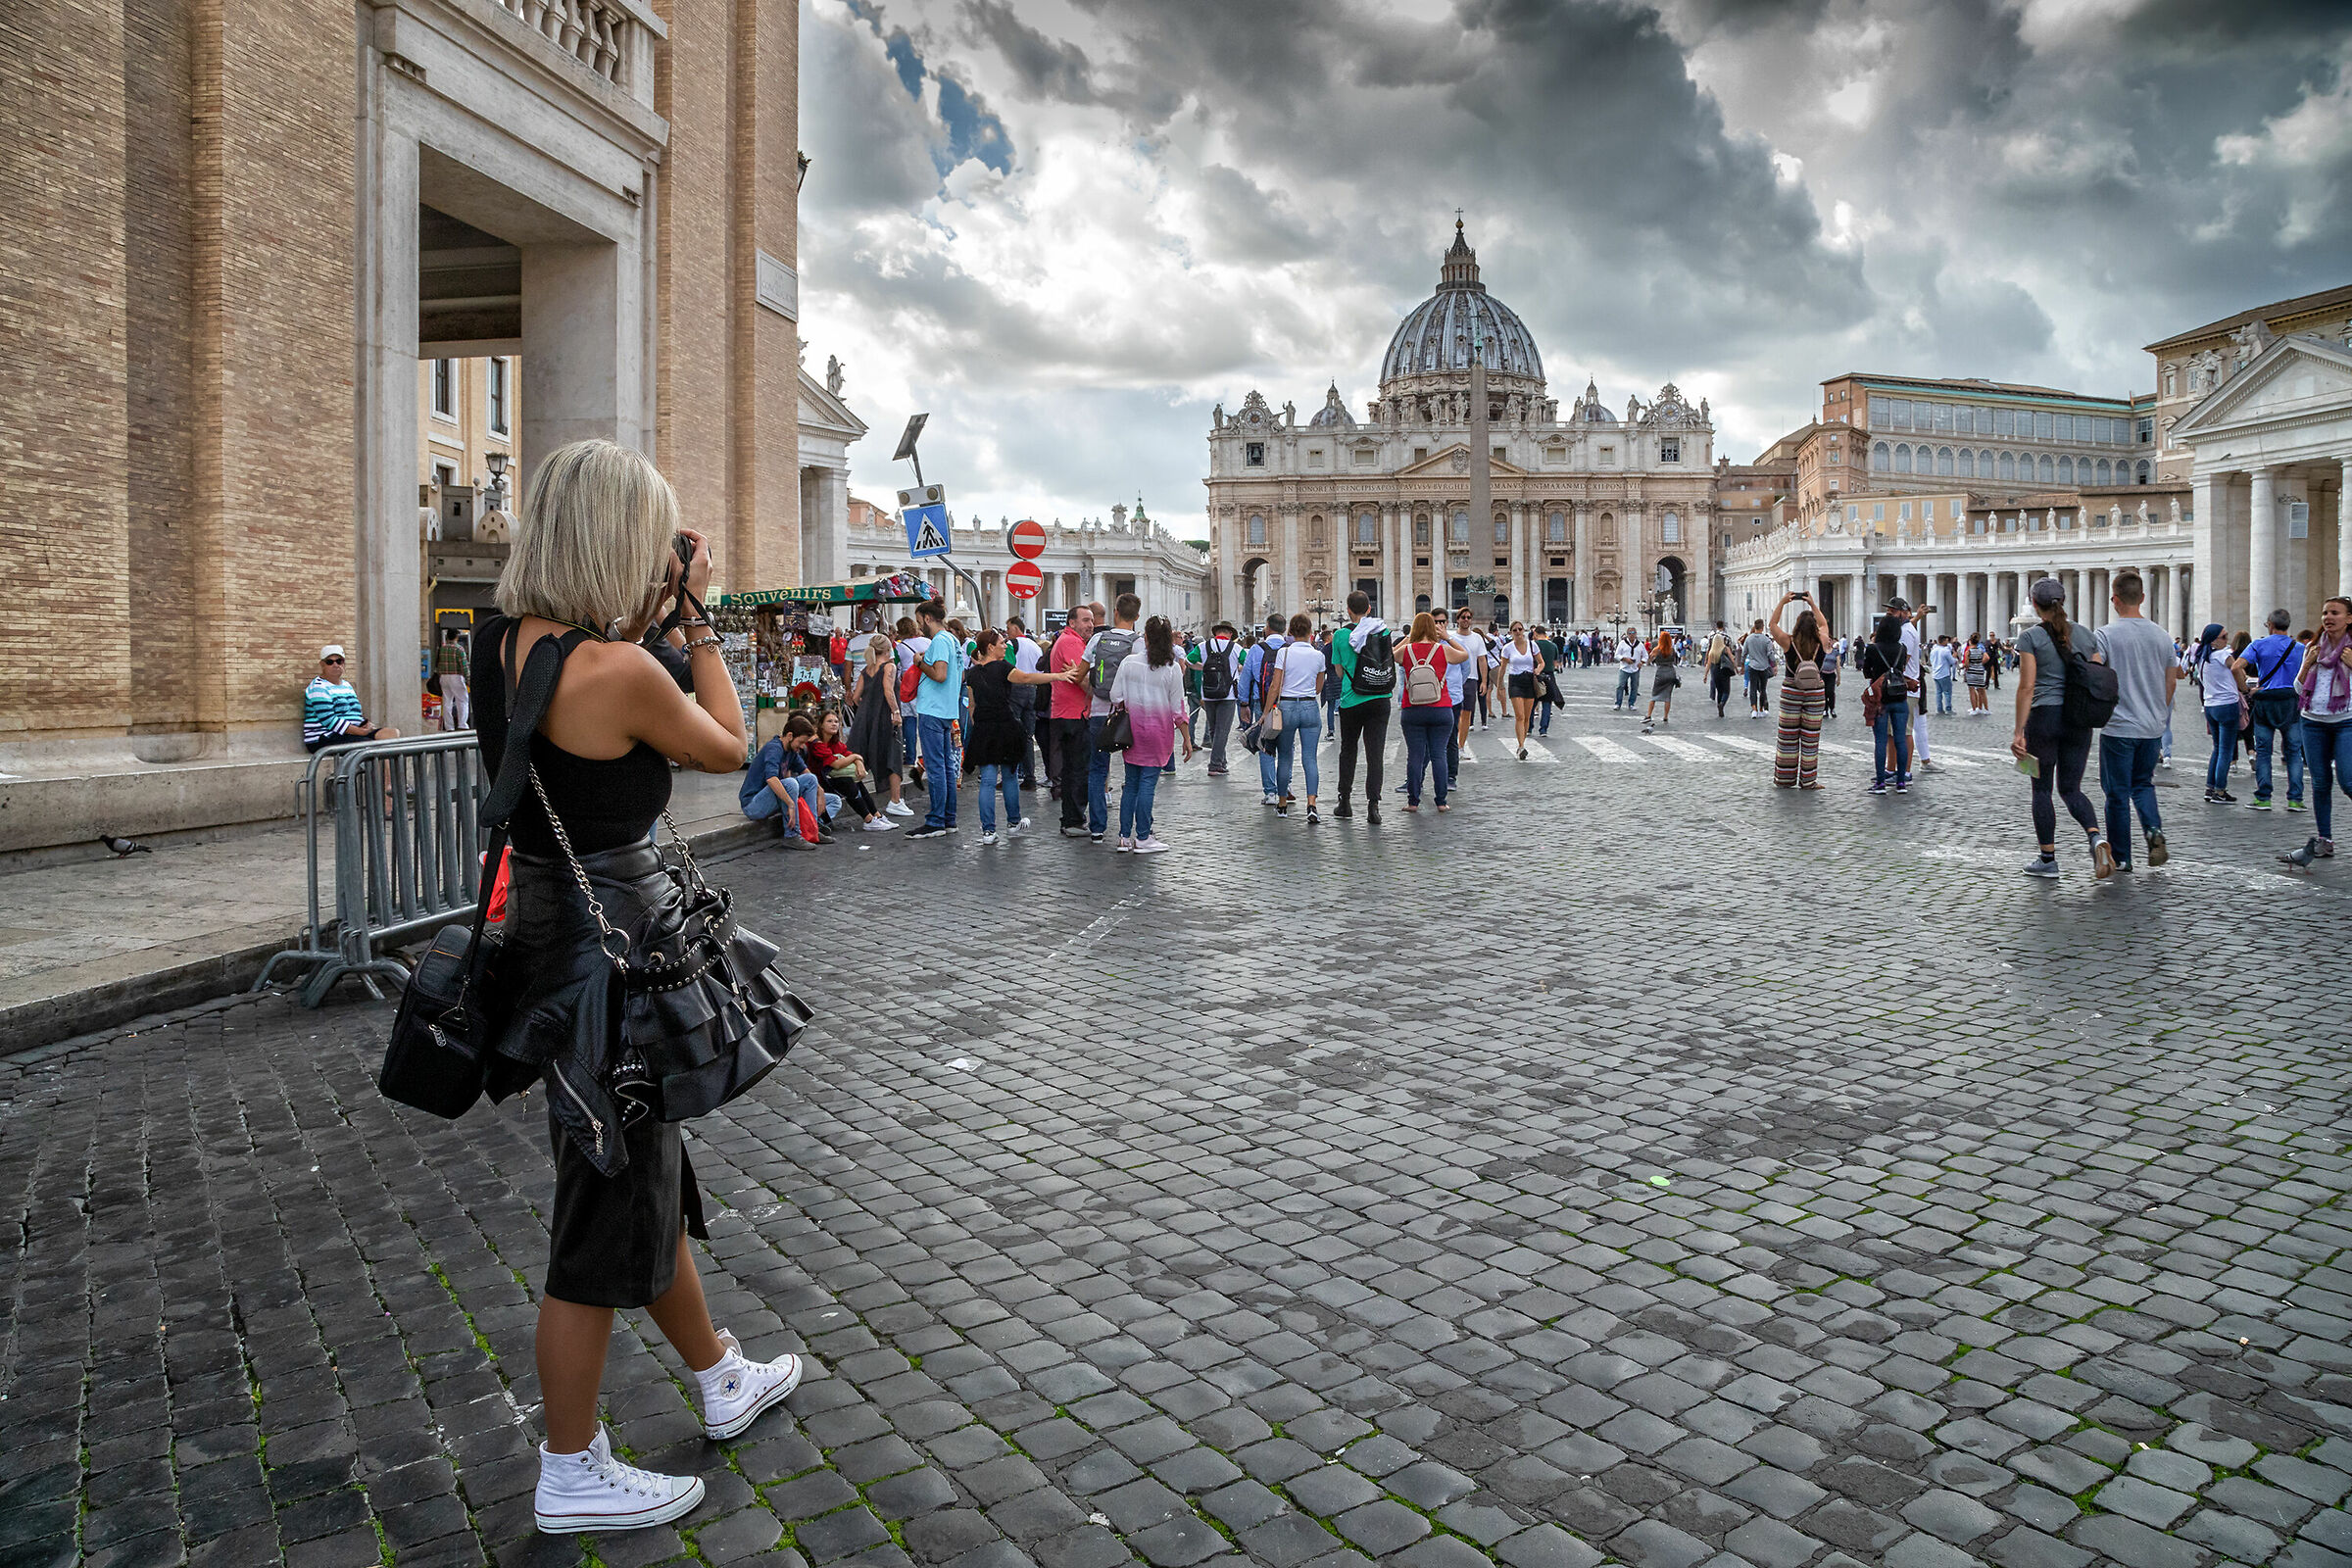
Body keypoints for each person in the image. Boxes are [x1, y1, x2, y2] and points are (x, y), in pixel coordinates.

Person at [475, 440, 806, 1535]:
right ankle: (569, 1466)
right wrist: (700, 620)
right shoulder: (614, 672)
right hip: (618, 956)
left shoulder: (501, 644)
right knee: (601, 1208)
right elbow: (730, 740)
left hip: (547, 940)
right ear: (621, 539)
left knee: (639, 1163)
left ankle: (718, 1371)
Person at [2010, 576, 2111, 879]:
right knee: (2071, 788)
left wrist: (2018, 732)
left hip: (2043, 719)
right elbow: (2096, 675)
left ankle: (2048, 859)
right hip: (2079, 720)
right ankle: (2095, 837)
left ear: (2036, 606)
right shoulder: (2085, 634)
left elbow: (2027, 687)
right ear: (2063, 602)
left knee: (2041, 790)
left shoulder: (2030, 637)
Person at [963, 629, 1078, 845]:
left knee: (987, 781)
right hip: (1005, 726)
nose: (1005, 645)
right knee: (1009, 775)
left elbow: (972, 705)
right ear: (990, 647)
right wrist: (1058, 676)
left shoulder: (973, 674)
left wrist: (978, 725)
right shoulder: (1003, 668)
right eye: (1001, 643)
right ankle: (1013, 822)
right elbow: (1026, 677)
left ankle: (988, 831)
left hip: (984, 728)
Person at [2093, 571, 2175, 871]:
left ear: (2114, 600)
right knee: (2143, 785)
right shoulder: (2162, 635)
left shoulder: (2104, 635)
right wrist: (2157, 712)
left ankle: (2123, 857)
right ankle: (2153, 830)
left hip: (2118, 725)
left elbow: (2096, 674)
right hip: (2151, 725)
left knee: (2116, 793)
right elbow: (2171, 682)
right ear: (2142, 598)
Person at [1108, 615, 1195, 851]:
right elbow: (1178, 709)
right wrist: (1186, 738)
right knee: (1147, 785)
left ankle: (1124, 837)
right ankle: (1144, 836)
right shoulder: (1172, 668)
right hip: (1158, 733)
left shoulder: (1128, 663)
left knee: (1131, 784)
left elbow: (1115, 697)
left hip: (1131, 731)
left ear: (1145, 637)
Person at [2280, 597, 2352, 868]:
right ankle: (2325, 839)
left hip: (2346, 720)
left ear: (2349, 619)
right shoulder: (2313, 647)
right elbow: (2298, 690)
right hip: (2312, 721)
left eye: (2335, 613)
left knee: (2348, 780)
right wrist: (2307, 664)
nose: (2328, 617)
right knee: (2320, 784)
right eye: (2324, 612)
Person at [901, 602, 966, 840]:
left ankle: (937, 820)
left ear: (928, 618)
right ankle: (948, 818)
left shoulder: (939, 641)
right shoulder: (952, 640)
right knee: (947, 766)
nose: (919, 627)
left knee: (937, 767)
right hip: (947, 709)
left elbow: (939, 674)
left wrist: (919, 662)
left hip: (933, 709)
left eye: (920, 622)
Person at [1082, 595, 1143, 840]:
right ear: (1137, 617)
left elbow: (1081, 674)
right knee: (1133, 772)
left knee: (1097, 771)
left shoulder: (1098, 638)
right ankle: (1127, 831)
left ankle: (1097, 829)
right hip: (1128, 716)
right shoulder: (1139, 644)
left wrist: (1091, 691)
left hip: (1099, 712)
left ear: (1115, 612)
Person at [1329, 592, 1392, 822]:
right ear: (1369, 610)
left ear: (1348, 610)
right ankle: (1373, 806)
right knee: (1376, 754)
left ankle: (1344, 802)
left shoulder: (1340, 636)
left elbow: (1337, 670)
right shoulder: (1382, 631)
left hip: (1352, 698)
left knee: (1348, 751)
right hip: (1379, 697)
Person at [1397, 612, 1467, 811]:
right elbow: (1464, 654)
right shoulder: (1443, 650)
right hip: (1441, 708)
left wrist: (1408, 638)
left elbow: (1389, 653)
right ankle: (1441, 802)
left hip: (1412, 709)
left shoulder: (1406, 651)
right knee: (1439, 755)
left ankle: (1413, 802)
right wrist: (1447, 637)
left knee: (1415, 756)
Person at [1261, 612, 1327, 821]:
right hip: (1309, 706)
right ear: (1310, 632)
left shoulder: (1285, 653)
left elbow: (1275, 685)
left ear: (1290, 632)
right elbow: (1319, 687)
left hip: (1287, 706)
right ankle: (1312, 804)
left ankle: (1282, 804)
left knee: (1285, 758)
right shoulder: (1319, 655)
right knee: (1310, 758)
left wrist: (1265, 712)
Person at [2241, 608, 2306, 811]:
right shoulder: (2299, 648)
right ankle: (2295, 799)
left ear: (2270, 624)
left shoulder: (2259, 644)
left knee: (2263, 751)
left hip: (2266, 700)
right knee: (2294, 752)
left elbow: (2236, 667)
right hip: (2290, 700)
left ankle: (2264, 797)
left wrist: (2247, 690)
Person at [741, 714, 838, 849]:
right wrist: (790, 804)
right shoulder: (774, 748)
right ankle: (792, 835)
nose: (803, 746)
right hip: (753, 805)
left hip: (769, 799)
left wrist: (820, 791)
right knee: (790, 783)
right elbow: (771, 779)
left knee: (811, 779)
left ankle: (812, 830)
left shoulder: (792, 751)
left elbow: (806, 773)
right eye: (801, 742)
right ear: (790, 736)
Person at [1766, 592, 1830, 789]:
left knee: (1787, 737)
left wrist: (1783, 601)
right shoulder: (1823, 641)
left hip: (1791, 691)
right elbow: (1824, 623)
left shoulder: (1788, 641)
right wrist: (1812, 604)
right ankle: (1808, 780)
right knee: (1810, 739)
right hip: (1815, 693)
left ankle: (1785, 779)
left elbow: (1772, 625)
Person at [848, 635, 913, 817]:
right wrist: (896, 712)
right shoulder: (889, 667)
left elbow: (855, 697)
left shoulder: (866, 670)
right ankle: (895, 800)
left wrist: (867, 707)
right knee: (893, 756)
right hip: (885, 718)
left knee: (861, 757)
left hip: (865, 719)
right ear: (887, 650)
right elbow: (888, 690)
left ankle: (857, 796)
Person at [1049, 606, 1098, 836]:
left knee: (1072, 769)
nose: (1090, 624)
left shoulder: (1070, 641)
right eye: (1085, 620)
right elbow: (1081, 679)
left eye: (1091, 620)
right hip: (1074, 714)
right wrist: (1098, 691)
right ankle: (1074, 820)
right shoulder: (1071, 643)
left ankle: (1071, 818)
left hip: (1067, 712)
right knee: (1078, 769)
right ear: (1072, 622)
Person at [303, 645, 402, 750]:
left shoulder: (346, 685)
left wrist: (365, 724)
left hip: (351, 733)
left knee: (391, 734)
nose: (335, 665)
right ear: (322, 665)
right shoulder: (318, 687)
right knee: (370, 746)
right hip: (324, 736)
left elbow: (353, 712)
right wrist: (359, 731)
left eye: (339, 661)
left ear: (344, 663)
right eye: (330, 662)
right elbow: (328, 720)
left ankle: (387, 767)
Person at [1860, 615, 1914, 794]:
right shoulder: (1902, 648)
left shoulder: (1873, 648)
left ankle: (1881, 783)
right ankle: (1901, 783)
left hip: (1880, 700)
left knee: (1881, 741)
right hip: (1899, 698)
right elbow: (1902, 669)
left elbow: (1866, 671)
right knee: (1900, 740)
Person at [1241, 611, 1289, 806]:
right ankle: (1286, 786)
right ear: (1284, 629)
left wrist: (1244, 704)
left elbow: (1245, 679)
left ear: (1267, 629)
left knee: (1266, 747)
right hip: (1286, 704)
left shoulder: (1256, 649)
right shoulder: (1290, 648)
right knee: (1286, 747)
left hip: (1262, 705)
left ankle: (1270, 793)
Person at [2192, 623, 2244, 803]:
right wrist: (2244, 688)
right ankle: (2220, 791)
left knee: (2217, 748)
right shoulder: (2223, 655)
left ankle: (2210, 787)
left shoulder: (2202, 658)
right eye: (2224, 637)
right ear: (2213, 640)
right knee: (2226, 750)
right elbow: (2237, 669)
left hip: (2210, 705)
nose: (2227, 640)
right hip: (2226, 704)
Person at [1004, 615, 1045, 790]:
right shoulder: (1035, 645)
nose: (1006, 632)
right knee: (1028, 736)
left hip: (1017, 688)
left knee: (1011, 732)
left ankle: (1010, 775)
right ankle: (1030, 776)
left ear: (1015, 628)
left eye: (1008, 628)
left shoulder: (1012, 644)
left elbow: (1006, 666)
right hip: (1032, 689)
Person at [1197, 620, 1241, 775]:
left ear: (1216, 633)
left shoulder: (1203, 646)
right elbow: (1246, 664)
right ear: (1229, 634)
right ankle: (1215, 765)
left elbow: (1188, 660)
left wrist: (1202, 667)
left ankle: (1222, 761)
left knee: (1214, 729)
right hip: (1227, 694)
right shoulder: (1236, 648)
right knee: (1223, 730)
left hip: (1208, 693)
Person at [1500, 622, 1544, 759]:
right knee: (1519, 715)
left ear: (1523, 630)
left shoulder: (1532, 645)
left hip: (1529, 681)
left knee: (1526, 717)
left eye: (1520, 629)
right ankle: (1521, 746)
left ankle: (1522, 742)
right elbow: (1502, 668)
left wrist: (1538, 669)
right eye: (1515, 630)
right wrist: (1499, 685)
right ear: (1511, 632)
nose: (1518, 632)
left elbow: (1542, 662)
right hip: (1515, 681)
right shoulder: (1507, 648)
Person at [1451, 610, 1490, 763]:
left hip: (1472, 679)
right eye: (1463, 617)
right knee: (1454, 715)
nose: (1466, 620)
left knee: (1466, 714)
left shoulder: (1477, 638)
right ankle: (1452, 746)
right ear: (1458, 619)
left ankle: (1460, 747)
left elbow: (1482, 660)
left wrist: (1484, 681)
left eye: (1468, 617)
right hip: (1453, 679)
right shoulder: (1451, 637)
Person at [1641, 627, 1679, 735]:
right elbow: (1675, 660)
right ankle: (1665, 717)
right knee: (1667, 696)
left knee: (1655, 695)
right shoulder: (1672, 649)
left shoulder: (1657, 649)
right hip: (1671, 672)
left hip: (1661, 672)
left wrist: (1652, 658)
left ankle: (1648, 715)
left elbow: (1649, 660)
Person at [434, 627, 471, 731]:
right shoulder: (459, 649)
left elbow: (437, 664)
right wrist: (469, 680)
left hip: (444, 678)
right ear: (456, 636)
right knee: (462, 700)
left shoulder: (442, 648)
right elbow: (464, 667)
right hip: (456, 677)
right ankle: (462, 724)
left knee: (447, 701)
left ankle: (449, 726)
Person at [1740, 618, 1776, 717]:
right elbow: (1770, 654)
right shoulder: (1766, 640)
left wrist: (1742, 665)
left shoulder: (1749, 639)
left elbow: (1744, 654)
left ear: (1755, 626)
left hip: (1752, 666)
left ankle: (1754, 710)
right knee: (1763, 689)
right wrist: (1774, 665)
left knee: (1753, 688)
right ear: (1762, 627)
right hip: (1764, 667)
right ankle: (1761, 709)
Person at [1702, 622, 1735, 717]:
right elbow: (1732, 658)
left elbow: (1708, 663)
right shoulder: (1726, 647)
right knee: (1726, 691)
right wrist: (1736, 668)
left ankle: (1718, 704)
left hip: (1714, 669)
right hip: (1724, 669)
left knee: (1719, 690)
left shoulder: (1711, 650)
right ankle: (1722, 704)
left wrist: (1705, 675)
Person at [1613, 627, 1643, 711]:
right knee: (1620, 686)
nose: (1632, 635)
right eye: (1630, 633)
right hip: (1624, 668)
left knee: (1634, 687)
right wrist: (1624, 659)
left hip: (1635, 669)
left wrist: (1642, 662)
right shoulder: (1622, 643)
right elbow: (1616, 655)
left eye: (1633, 633)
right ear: (1627, 634)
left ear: (1636, 634)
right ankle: (1618, 703)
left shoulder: (1640, 644)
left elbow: (1645, 655)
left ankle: (1631, 704)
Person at [1930, 635, 1957, 715]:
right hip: (1944, 673)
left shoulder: (1933, 650)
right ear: (1944, 641)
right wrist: (1955, 658)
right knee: (1947, 692)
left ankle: (1939, 709)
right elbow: (1952, 661)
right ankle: (1948, 709)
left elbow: (1931, 661)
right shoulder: (1945, 651)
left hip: (1935, 673)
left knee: (1938, 692)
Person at [1964, 635, 1990, 714]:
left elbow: (1967, 663)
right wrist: (1979, 663)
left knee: (1972, 690)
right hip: (1980, 671)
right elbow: (1986, 658)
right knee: (1982, 690)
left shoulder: (1968, 651)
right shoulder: (1981, 650)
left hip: (1971, 671)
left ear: (1970, 642)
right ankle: (1986, 709)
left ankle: (1974, 709)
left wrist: (1966, 667)